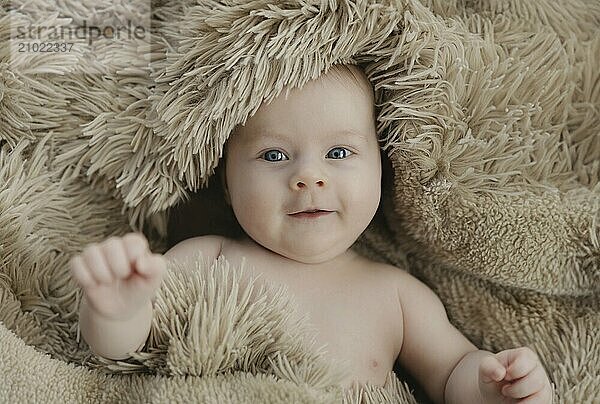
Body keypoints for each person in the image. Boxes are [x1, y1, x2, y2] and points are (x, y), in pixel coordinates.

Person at [70, 64, 553, 403]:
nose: (309, 178)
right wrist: (118, 310)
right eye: (274, 155)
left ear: (383, 170)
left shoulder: (396, 295)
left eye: (339, 153)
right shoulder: (206, 258)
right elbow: (119, 349)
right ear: (227, 182)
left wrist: (495, 388)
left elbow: (451, 375)